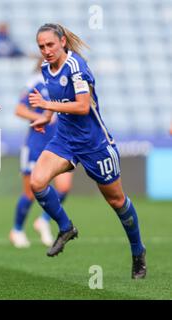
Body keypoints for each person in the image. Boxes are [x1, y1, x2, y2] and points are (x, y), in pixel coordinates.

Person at [28, 23, 146, 279]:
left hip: (95, 144)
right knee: (37, 182)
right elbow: (57, 98)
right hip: (64, 140)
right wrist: (46, 116)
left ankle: (138, 251)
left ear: (62, 42)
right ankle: (66, 227)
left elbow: (82, 107)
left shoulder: (77, 67)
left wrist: (46, 105)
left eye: (50, 45)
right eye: (41, 46)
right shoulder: (46, 68)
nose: (46, 50)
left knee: (116, 201)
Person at [10, 57, 73, 249]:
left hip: (60, 144)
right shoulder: (35, 82)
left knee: (63, 187)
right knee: (30, 192)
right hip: (36, 144)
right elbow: (19, 110)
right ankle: (17, 230)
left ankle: (43, 220)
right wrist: (41, 117)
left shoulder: (66, 80)